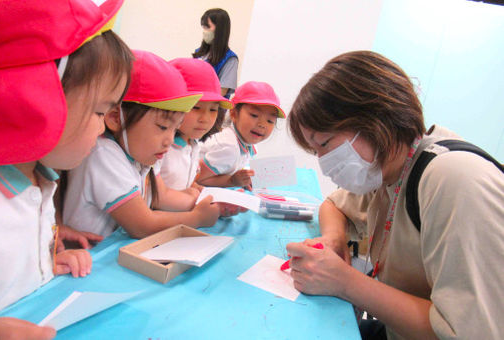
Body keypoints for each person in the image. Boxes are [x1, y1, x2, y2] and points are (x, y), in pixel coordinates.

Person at [286, 50, 504, 340]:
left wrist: (344, 282)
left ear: (375, 120)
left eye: (325, 144)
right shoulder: (388, 170)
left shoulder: (453, 179)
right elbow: (334, 205)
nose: (324, 164)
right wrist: (334, 240)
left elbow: (470, 333)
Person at [0, 0, 132, 337]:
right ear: (32, 99)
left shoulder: (39, 181)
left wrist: (40, 268)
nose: (103, 130)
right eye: (100, 112)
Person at [63, 50, 221, 239]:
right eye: (162, 127)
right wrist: (196, 218)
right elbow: (143, 224)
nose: (170, 139)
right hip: (92, 259)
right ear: (115, 118)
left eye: (175, 129)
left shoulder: (137, 156)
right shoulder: (104, 154)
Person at [160, 58, 233, 191]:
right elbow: (155, 196)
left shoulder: (193, 144)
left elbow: (185, 184)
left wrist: (200, 191)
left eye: (213, 109)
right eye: (196, 107)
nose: (205, 119)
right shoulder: (161, 148)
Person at [197, 81, 286, 190]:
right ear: (234, 113)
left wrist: (243, 180)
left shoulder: (248, 144)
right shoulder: (228, 148)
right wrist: (232, 181)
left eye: (270, 121)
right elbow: (197, 178)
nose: (262, 125)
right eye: (254, 115)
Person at [192, 8, 238, 98]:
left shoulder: (230, 59)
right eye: (203, 27)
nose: (204, 31)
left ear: (220, 30)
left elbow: (222, 91)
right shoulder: (199, 53)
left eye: (207, 27)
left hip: (213, 107)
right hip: (193, 104)